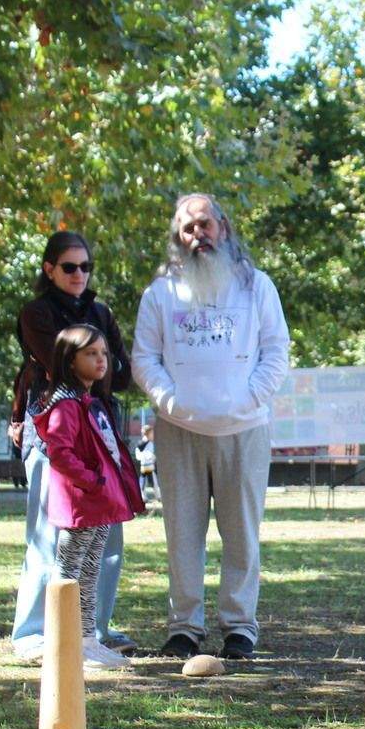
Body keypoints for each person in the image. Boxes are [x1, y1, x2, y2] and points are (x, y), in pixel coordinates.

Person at [132, 193, 290, 661]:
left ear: (223, 226)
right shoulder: (160, 292)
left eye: (204, 224)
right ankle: (184, 626)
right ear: (177, 238)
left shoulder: (256, 286)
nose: (197, 234)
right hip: (178, 429)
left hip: (244, 428)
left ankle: (240, 626)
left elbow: (276, 351)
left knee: (241, 531)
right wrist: (172, 402)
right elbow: (145, 357)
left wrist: (248, 398)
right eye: (187, 228)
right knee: (182, 532)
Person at [9, 231, 135, 661]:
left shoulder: (100, 311)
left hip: (99, 429)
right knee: (50, 534)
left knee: (105, 535)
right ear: (50, 270)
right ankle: (33, 632)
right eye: (69, 267)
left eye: (85, 267)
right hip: (56, 427)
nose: (79, 274)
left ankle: (91, 629)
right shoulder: (36, 313)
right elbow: (58, 363)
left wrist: (105, 369)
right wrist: (102, 368)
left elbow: (121, 374)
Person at [33, 325, 146, 668]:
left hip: (98, 504)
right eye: (91, 353)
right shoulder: (66, 406)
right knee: (69, 570)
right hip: (82, 504)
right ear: (70, 360)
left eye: (104, 354)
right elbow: (60, 452)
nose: (101, 360)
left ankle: (85, 639)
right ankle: (65, 642)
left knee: (91, 569)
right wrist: (92, 482)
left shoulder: (90, 402)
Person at [136, 424, 159, 501]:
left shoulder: (140, 443)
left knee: (143, 481)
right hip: (149, 466)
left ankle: (143, 496)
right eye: (152, 433)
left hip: (143, 466)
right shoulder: (149, 443)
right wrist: (152, 457)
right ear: (148, 433)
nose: (153, 435)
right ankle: (157, 496)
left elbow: (138, 455)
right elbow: (150, 454)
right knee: (153, 481)